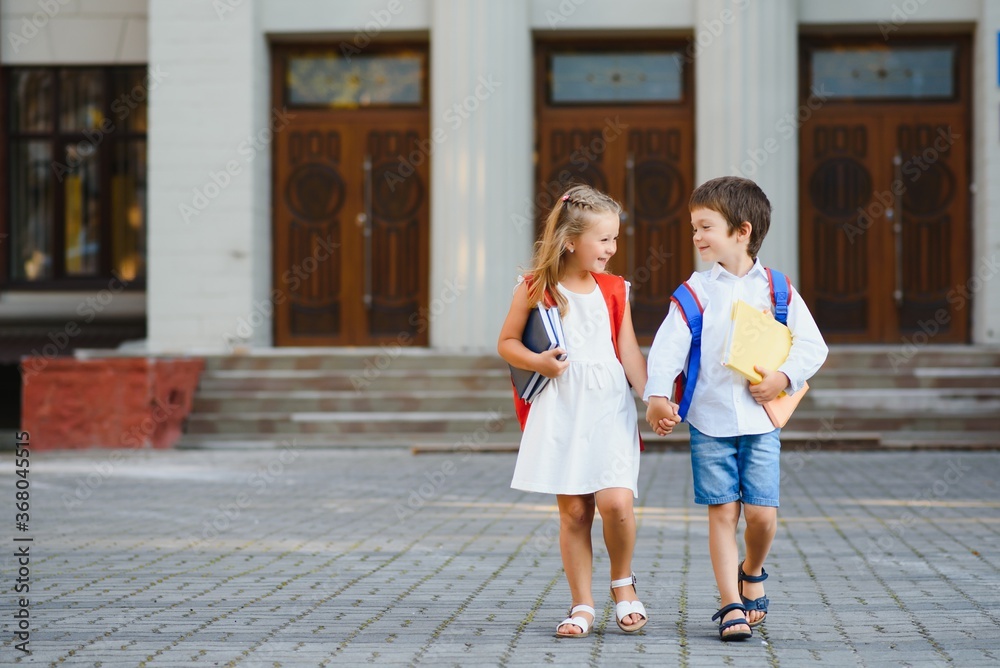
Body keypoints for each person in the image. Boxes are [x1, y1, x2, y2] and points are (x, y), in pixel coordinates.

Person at [645, 176, 828, 641]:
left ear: (742, 231)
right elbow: (668, 347)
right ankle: (730, 604)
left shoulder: (778, 290)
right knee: (722, 512)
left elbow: (813, 346)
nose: (697, 237)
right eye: (694, 228)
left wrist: (783, 378)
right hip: (709, 421)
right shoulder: (696, 291)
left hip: (761, 423)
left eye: (705, 226)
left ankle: (752, 570)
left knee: (762, 515)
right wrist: (657, 395)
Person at [499, 184, 671, 638]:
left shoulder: (615, 289)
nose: (612, 249)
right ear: (571, 240)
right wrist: (537, 362)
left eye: (616, 239)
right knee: (575, 511)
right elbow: (507, 343)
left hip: (608, 404)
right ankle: (582, 604)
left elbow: (628, 350)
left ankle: (623, 583)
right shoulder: (537, 287)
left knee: (615, 502)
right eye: (604, 240)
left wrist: (653, 396)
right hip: (561, 408)